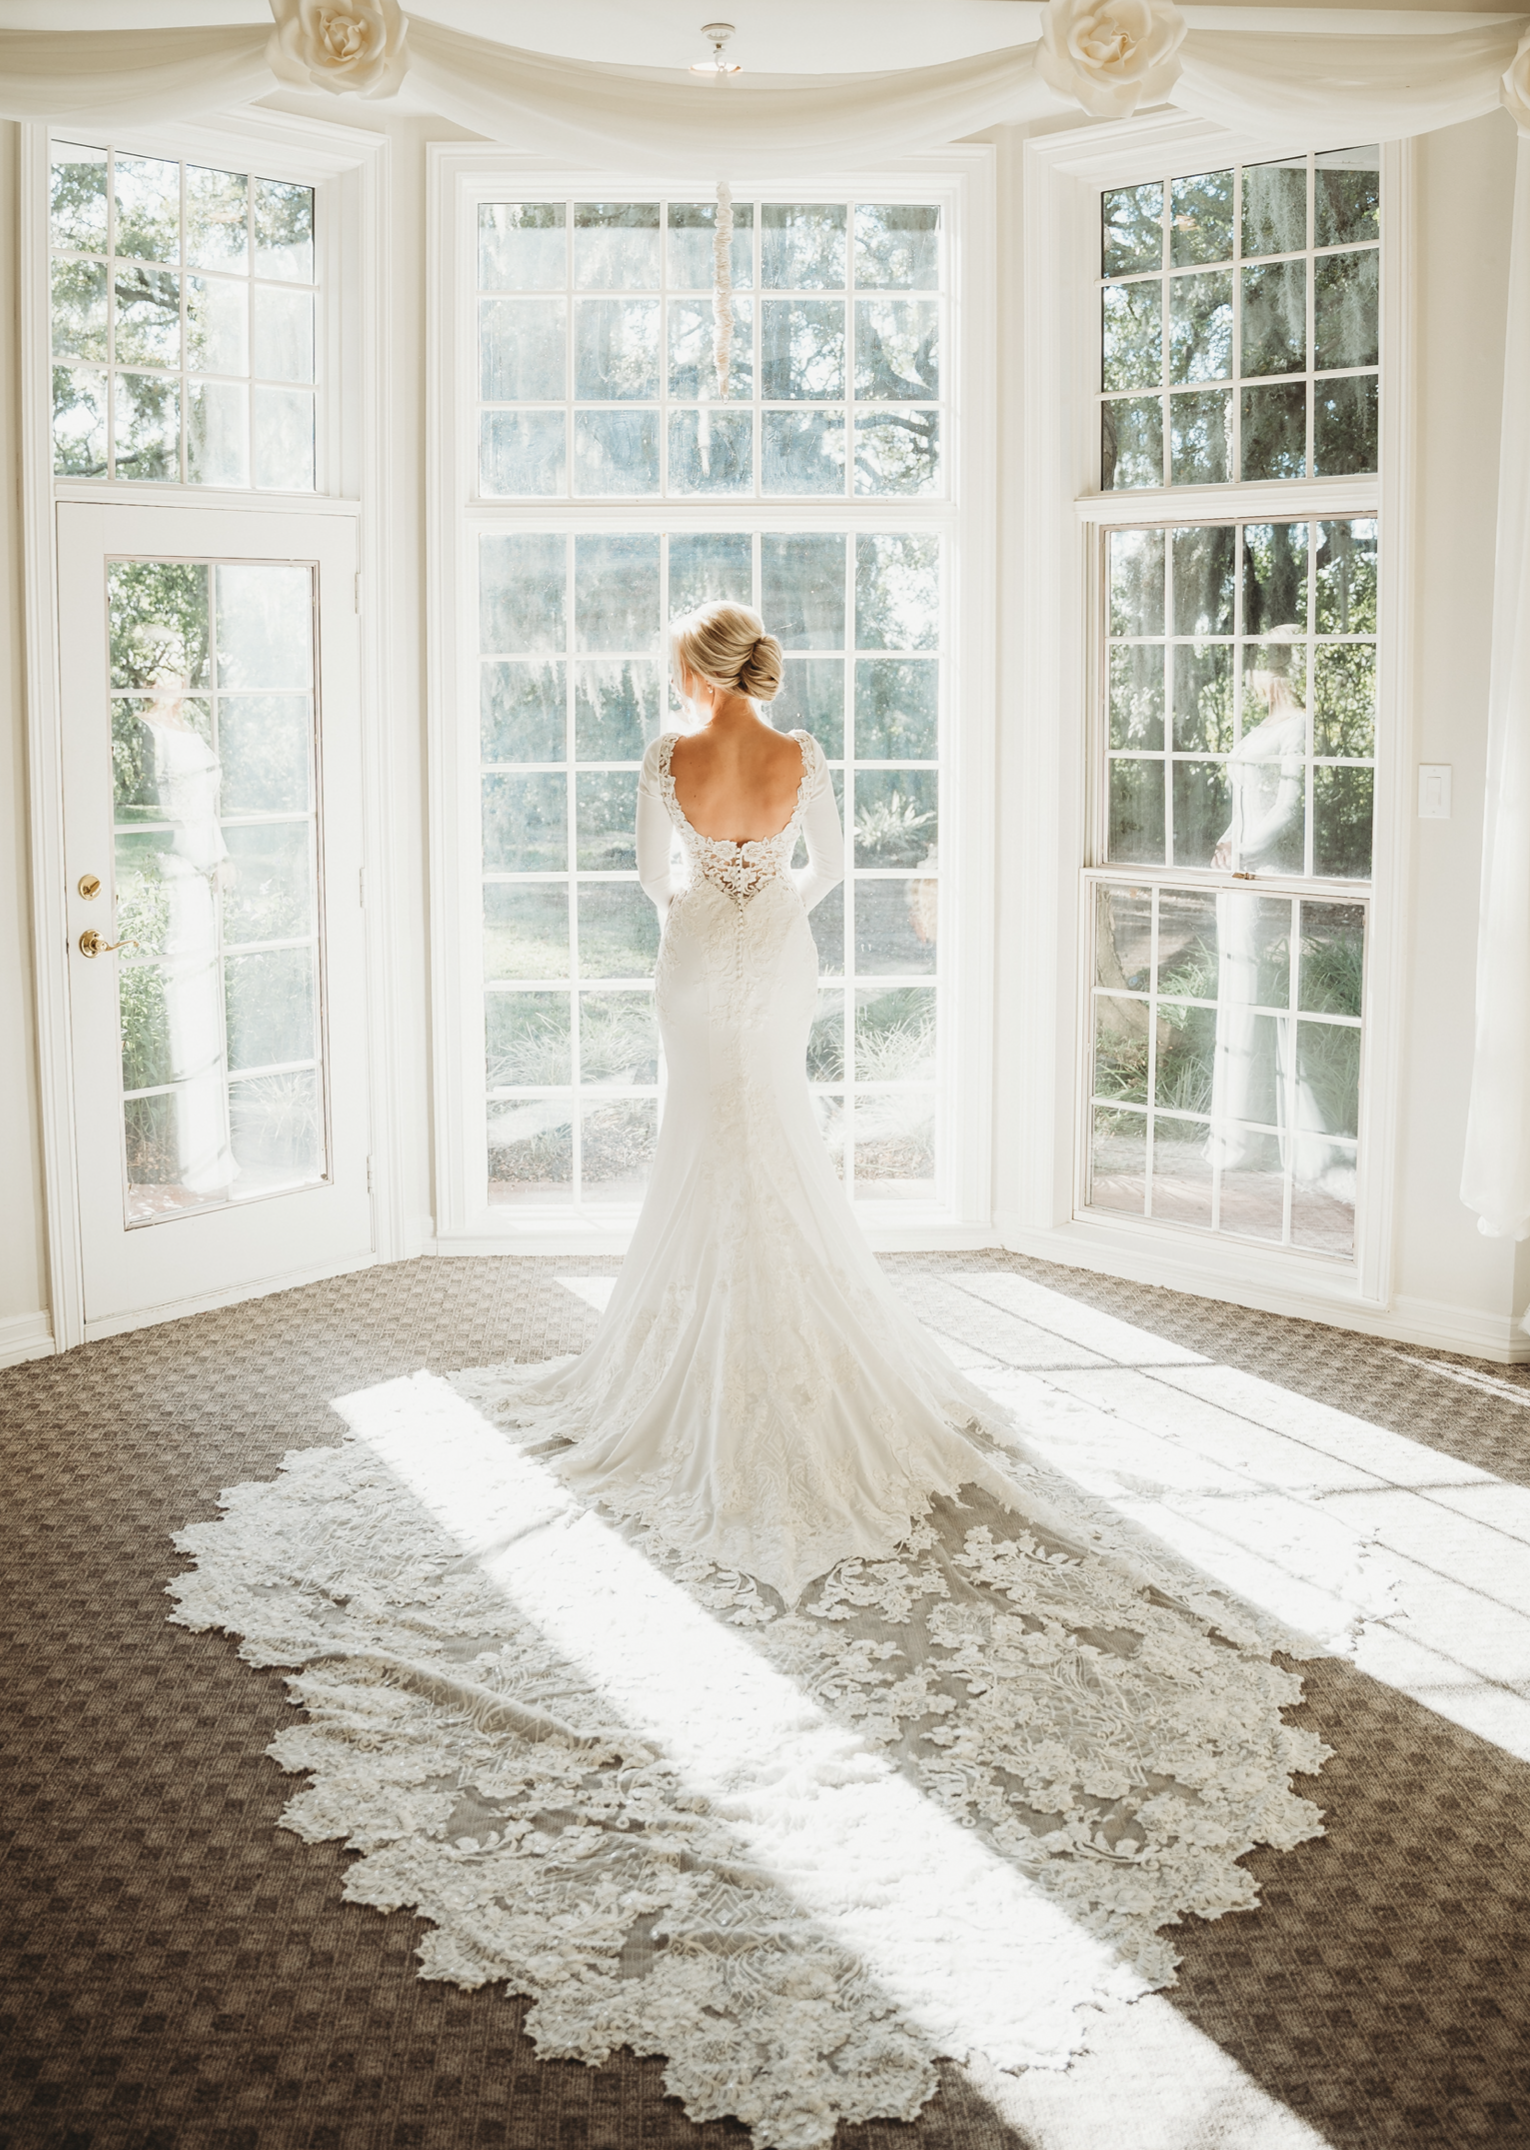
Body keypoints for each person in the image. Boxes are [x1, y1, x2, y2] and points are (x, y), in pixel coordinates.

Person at [176, 600, 1330, 2147]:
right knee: (772, 1140)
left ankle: (689, 1356)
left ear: (686, 670)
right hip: (772, 955)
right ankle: (795, 1350)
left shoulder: (665, 751)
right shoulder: (801, 751)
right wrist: (765, 880)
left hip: (694, 961)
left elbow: (651, 879)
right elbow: (831, 875)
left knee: (699, 1148)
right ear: (759, 673)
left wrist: (709, 880)